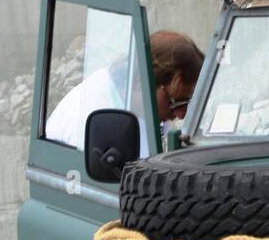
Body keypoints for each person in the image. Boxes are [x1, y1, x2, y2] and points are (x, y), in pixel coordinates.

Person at [44, 30, 204, 153]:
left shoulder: (142, 101)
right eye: (175, 102)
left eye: (188, 102)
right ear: (143, 82)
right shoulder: (89, 122)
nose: (182, 114)